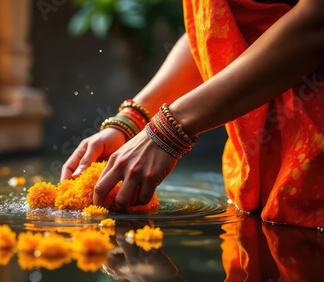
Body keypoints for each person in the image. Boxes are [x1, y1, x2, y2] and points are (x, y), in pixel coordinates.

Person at [60, 0, 324, 229]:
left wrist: (169, 129)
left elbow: (315, 23)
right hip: (254, 186)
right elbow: (213, 33)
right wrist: (131, 122)